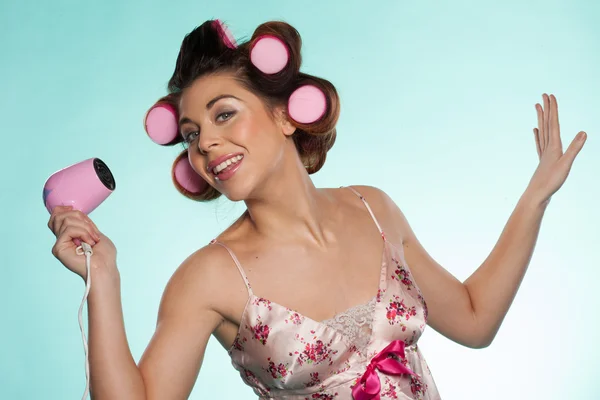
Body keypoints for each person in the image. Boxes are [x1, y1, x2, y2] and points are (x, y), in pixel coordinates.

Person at [47, 19, 587, 400]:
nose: (206, 143)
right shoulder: (208, 278)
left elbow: (474, 319)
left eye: (224, 115)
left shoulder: (371, 208)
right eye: (191, 135)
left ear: (285, 116)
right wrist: (104, 278)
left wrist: (535, 196)